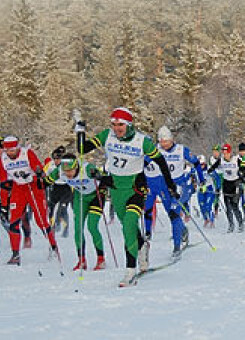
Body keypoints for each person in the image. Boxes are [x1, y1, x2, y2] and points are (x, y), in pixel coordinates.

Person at [77, 107, 177, 287]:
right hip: (116, 189)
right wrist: (79, 130)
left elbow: (161, 161)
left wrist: (170, 185)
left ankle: (130, 270)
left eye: (121, 125)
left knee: (129, 224)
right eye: (114, 124)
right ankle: (142, 246)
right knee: (128, 226)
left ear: (129, 124)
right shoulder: (107, 135)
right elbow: (82, 149)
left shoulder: (142, 141)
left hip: (135, 189)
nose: (117, 128)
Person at [0, 136, 59, 265]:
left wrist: (37, 172)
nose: (10, 153)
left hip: (33, 187)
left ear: (17, 148)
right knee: (13, 222)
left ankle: (53, 248)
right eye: (7, 151)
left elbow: (38, 167)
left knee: (41, 221)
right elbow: (3, 184)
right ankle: (15, 255)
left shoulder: (27, 153)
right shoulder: (2, 160)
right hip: (18, 189)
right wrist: (4, 204)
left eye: (12, 150)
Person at [45, 153, 106, 271]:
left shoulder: (87, 168)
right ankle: (81, 260)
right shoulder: (60, 171)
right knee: (78, 228)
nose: (68, 174)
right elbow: (46, 181)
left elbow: (105, 177)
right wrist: (39, 179)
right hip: (80, 197)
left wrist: (98, 176)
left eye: (71, 171)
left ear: (76, 166)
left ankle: (101, 259)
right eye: (66, 171)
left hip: (96, 196)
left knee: (92, 226)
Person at [147, 125, 199, 259]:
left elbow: (196, 162)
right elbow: (142, 163)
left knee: (175, 212)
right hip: (165, 186)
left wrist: (201, 179)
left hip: (179, 186)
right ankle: (183, 230)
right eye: (161, 141)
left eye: (166, 141)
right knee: (171, 214)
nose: (164, 144)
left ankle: (177, 246)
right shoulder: (155, 150)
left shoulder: (181, 150)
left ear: (172, 139)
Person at [207, 144, 245, 233]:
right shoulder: (221, 160)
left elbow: (244, 168)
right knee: (228, 207)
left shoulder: (236, 159)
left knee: (234, 205)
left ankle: (240, 223)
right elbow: (212, 167)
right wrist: (208, 172)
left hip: (235, 183)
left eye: (227, 153)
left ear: (230, 152)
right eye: (223, 153)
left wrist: (243, 174)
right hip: (226, 184)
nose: (225, 155)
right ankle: (231, 225)